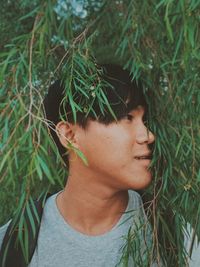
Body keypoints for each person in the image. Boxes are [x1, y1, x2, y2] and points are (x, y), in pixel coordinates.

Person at [0, 64, 157, 266]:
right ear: (70, 135)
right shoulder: (12, 247)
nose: (148, 136)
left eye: (145, 121)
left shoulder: (176, 236)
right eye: (127, 117)